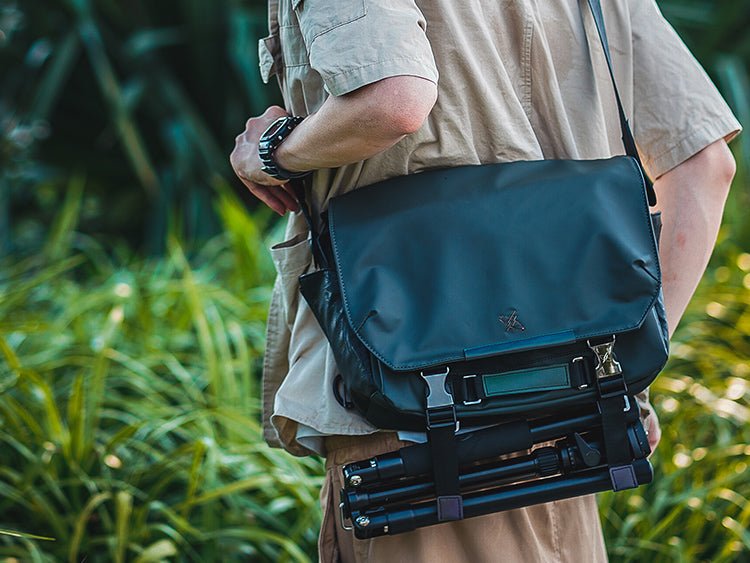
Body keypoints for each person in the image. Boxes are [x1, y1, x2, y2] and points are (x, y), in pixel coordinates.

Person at [230, 0, 740, 560]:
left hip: (415, 434)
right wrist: (618, 369)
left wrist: (272, 153)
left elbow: (392, 100)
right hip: (577, 426)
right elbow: (704, 166)